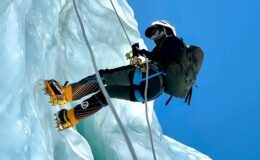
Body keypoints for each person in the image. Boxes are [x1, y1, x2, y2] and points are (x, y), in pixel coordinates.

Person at [44, 20, 204, 131]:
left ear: (166, 30)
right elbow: (161, 59)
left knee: (105, 76)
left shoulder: (172, 41)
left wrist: (144, 54)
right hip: (150, 91)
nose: (154, 37)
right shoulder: (166, 51)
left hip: (150, 77)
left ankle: (64, 94)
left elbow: (163, 57)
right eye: (152, 35)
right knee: (108, 92)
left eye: (156, 32)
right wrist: (143, 54)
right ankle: (69, 118)